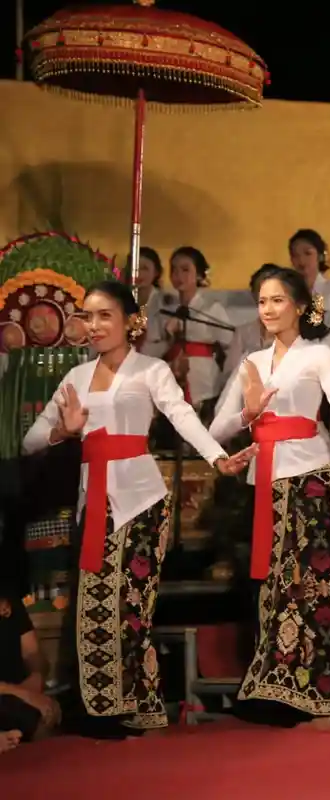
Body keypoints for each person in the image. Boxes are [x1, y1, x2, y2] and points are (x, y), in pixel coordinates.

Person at [22, 280, 253, 733]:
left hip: (140, 499)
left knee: (129, 605)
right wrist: (64, 433)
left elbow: (182, 415)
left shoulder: (150, 370)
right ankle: (103, 707)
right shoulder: (75, 379)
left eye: (105, 315)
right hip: (94, 500)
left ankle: (127, 705)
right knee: (92, 604)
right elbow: (30, 440)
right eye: (88, 316)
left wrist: (218, 458)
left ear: (131, 322)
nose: (94, 325)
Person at [209, 267, 330, 728]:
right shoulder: (250, 362)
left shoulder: (318, 356)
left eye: (278, 300)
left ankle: (321, 696)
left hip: (311, 480)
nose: (269, 309)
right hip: (264, 483)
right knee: (272, 591)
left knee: (314, 588)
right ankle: (276, 694)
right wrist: (247, 414)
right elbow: (216, 429)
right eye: (262, 301)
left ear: (299, 306)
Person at [160, 246, 235, 421]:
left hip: (204, 378)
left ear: (199, 275)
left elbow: (230, 344)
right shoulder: (167, 309)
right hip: (173, 373)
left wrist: (227, 380)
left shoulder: (212, 308)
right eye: (174, 269)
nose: (178, 275)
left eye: (185, 269)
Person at [0, 592, 57, 751]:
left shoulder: (10, 601)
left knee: (47, 714)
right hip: (11, 694)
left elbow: (33, 653)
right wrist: (25, 694)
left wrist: (36, 677)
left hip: (16, 696)